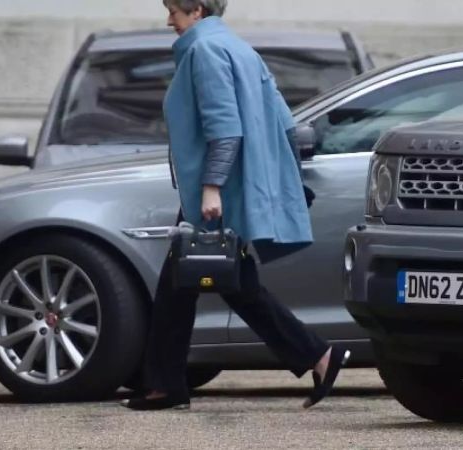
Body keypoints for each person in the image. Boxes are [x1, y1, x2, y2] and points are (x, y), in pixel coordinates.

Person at [121, 0, 349, 411]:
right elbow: (283, 120)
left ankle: (314, 355)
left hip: (215, 194)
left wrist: (211, 187)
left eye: (173, 10)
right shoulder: (239, 48)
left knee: (218, 283)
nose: (168, 19)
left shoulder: (205, 51)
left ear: (196, 10)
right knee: (195, 285)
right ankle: (167, 383)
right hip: (233, 188)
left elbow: (224, 128)